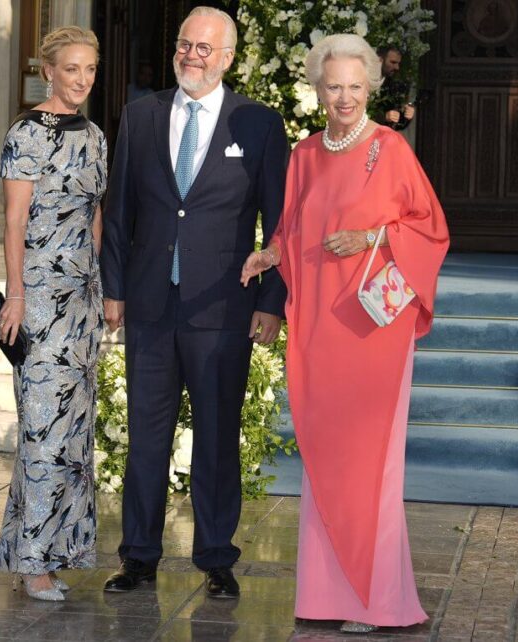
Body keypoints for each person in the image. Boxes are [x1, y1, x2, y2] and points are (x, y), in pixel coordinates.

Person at [242, 34, 449, 633]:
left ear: (370, 88)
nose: (344, 97)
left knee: (370, 463)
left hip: (372, 331)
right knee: (324, 459)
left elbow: (430, 228)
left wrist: (372, 238)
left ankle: (375, 601)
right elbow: (294, 227)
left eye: (355, 87)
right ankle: (328, 598)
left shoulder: (390, 149)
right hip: (318, 326)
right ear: (317, 87)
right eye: (334, 86)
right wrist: (270, 253)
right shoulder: (305, 153)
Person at [100, 6, 288, 598]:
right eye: (185, 45)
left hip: (223, 309)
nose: (191, 56)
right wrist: (114, 288)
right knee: (146, 436)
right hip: (152, 306)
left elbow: (281, 222)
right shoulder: (140, 115)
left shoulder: (258, 123)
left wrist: (271, 301)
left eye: (205, 48)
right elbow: (119, 211)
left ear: (228, 58)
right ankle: (138, 557)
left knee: (215, 436)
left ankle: (215, 556)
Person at [0, 26, 107, 602]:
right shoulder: (24, 135)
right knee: (42, 430)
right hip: (38, 295)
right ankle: (32, 561)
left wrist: (102, 294)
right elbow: (14, 221)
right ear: (47, 71)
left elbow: (94, 216)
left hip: (83, 301)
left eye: (89, 70)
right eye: (71, 70)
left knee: (74, 437)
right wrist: (15, 294)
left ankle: (59, 551)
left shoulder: (95, 136)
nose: (82, 80)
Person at [374, 46, 414, 131]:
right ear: (380, 60)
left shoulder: (396, 85)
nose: (397, 67)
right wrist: (383, 117)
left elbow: (398, 124)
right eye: (393, 62)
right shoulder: (365, 80)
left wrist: (407, 117)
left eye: (398, 63)